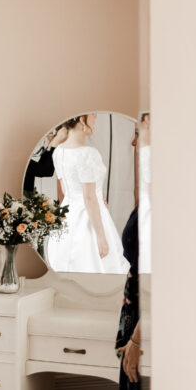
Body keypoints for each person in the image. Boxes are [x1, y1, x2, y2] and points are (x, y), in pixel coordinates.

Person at [44, 114, 129, 274]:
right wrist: (101, 237)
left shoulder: (59, 152)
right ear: (82, 120)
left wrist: (99, 190)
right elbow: (88, 198)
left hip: (68, 216)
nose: (96, 119)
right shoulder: (88, 153)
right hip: (89, 217)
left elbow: (65, 190)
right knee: (97, 267)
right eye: (93, 116)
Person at [116, 113, 150, 390]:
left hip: (147, 314)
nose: (132, 141)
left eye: (138, 131)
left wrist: (139, 336)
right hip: (134, 305)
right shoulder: (148, 199)